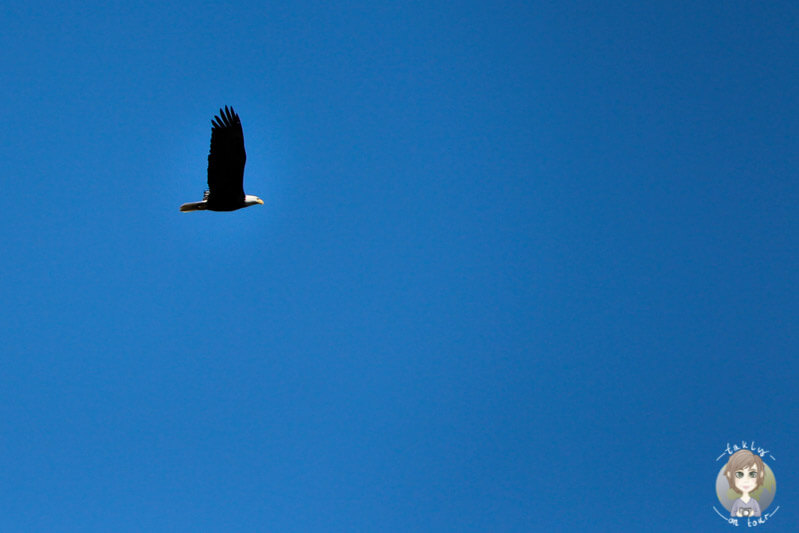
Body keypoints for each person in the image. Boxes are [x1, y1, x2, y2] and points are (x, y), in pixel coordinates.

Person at [723, 449, 765, 517]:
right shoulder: (737, 502)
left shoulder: (754, 502)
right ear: (730, 475)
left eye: (752, 474)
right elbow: (732, 514)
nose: (746, 480)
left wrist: (752, 513)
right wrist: (738, 514)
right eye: (739, 474)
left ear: (760, 474)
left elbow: (758, 513)